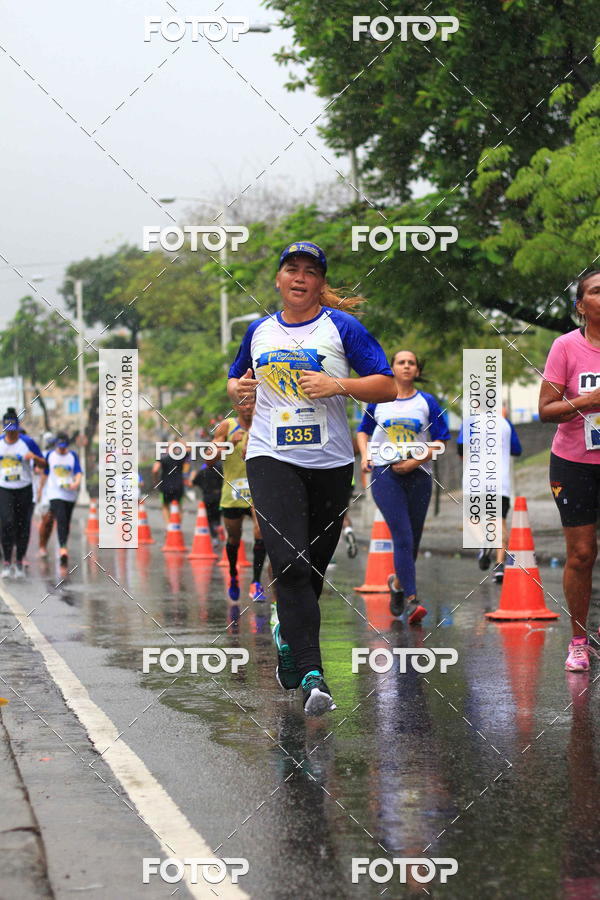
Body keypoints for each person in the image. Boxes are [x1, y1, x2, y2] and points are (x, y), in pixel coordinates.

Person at [228, 240, 396, 715]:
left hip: (330, 463)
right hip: (270, 457)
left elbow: (386, 385)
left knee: (312, 571)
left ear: (320, 283)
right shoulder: (259, 331)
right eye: (291, 269)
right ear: (278, 279)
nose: (299, 277)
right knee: (290, 563)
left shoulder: (341, 327)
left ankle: (289, 633)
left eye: (309, 271)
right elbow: (235, 379)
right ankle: (312, 674)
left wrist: (337, 384)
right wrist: (239, 390)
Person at [357, 350, 450, 622]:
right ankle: (412, 599)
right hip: (385, 475)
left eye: (412, 363)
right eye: (401, 362)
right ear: (393, 368)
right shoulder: (379, 399)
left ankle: (396, 584)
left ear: (417, 371)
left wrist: (415, 461)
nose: (407, 366)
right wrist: (365, 454)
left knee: (413, 541)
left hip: (419, 475)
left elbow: (441, 441)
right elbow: (363, 431)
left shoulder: (427, 402)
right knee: (403, 536)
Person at [539, 269, 600, 672]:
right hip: (575, 462)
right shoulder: (566, 346)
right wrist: (590, 401)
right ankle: (579, 641)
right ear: (581, 306)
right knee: (581, 554)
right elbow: (546, 410)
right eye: (596, 291)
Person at [206, 400, 267, 602]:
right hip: (232, 492)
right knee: (234, 538)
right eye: (244, 404)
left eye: (252, 403)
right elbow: (209, 460)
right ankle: (233, 575)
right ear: (236, 407)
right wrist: (229, 444)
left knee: (261, 533)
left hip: (258, 490)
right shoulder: (227, 426)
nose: (248, 407)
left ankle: (256, 582)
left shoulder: (265, 422)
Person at [457, 407, 522, 583]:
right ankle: (499, 566)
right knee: (499, 521)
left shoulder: (470, 422)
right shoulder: (505, 423)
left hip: (475, 480)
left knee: (472, 519)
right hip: (499, 480)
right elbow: (517, 450)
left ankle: (483, 542)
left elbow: (462, 450)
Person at [0, 409, 45, 578]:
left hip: (24, 489)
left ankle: (19, 561)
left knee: (22, 526)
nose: (11, 434)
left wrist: (34, 457)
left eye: (14, 430)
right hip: (4, 489)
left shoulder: (27, 442)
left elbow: (44, 463)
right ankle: (7, 562)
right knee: (7, 523)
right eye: (8, 430)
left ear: (18, 428)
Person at [43, 432, 82, 564]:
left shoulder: (73, 456)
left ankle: (63, 543)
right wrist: (40, 490)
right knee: (61, 518)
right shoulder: (50, 455)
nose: (61, 449)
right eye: (60, 446)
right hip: (54, 493)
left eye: (64, 446)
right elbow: (45, 473)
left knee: (66, 520)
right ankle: (63, 548)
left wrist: (76, 482)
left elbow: (78, 472)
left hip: (69, 493)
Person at [152, 439, 190, 524]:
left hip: (165, 486)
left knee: (165, 506)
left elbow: (155, 470)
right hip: (178, 486)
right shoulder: (181, 457)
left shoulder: (162, 458)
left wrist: (155, 481)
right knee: (179, 506)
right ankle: (178, 526)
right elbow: (188, 448)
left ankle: (169, 526)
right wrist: (181, 441)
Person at [190, 459, 223, 544]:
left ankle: (214, 537)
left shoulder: (202, 472)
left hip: (207, 497)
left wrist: (192, 475)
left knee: (209, 518)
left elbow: (192, 483)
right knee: (217, 516)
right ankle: (218, 526)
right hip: (218, 496)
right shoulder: (219, 470)